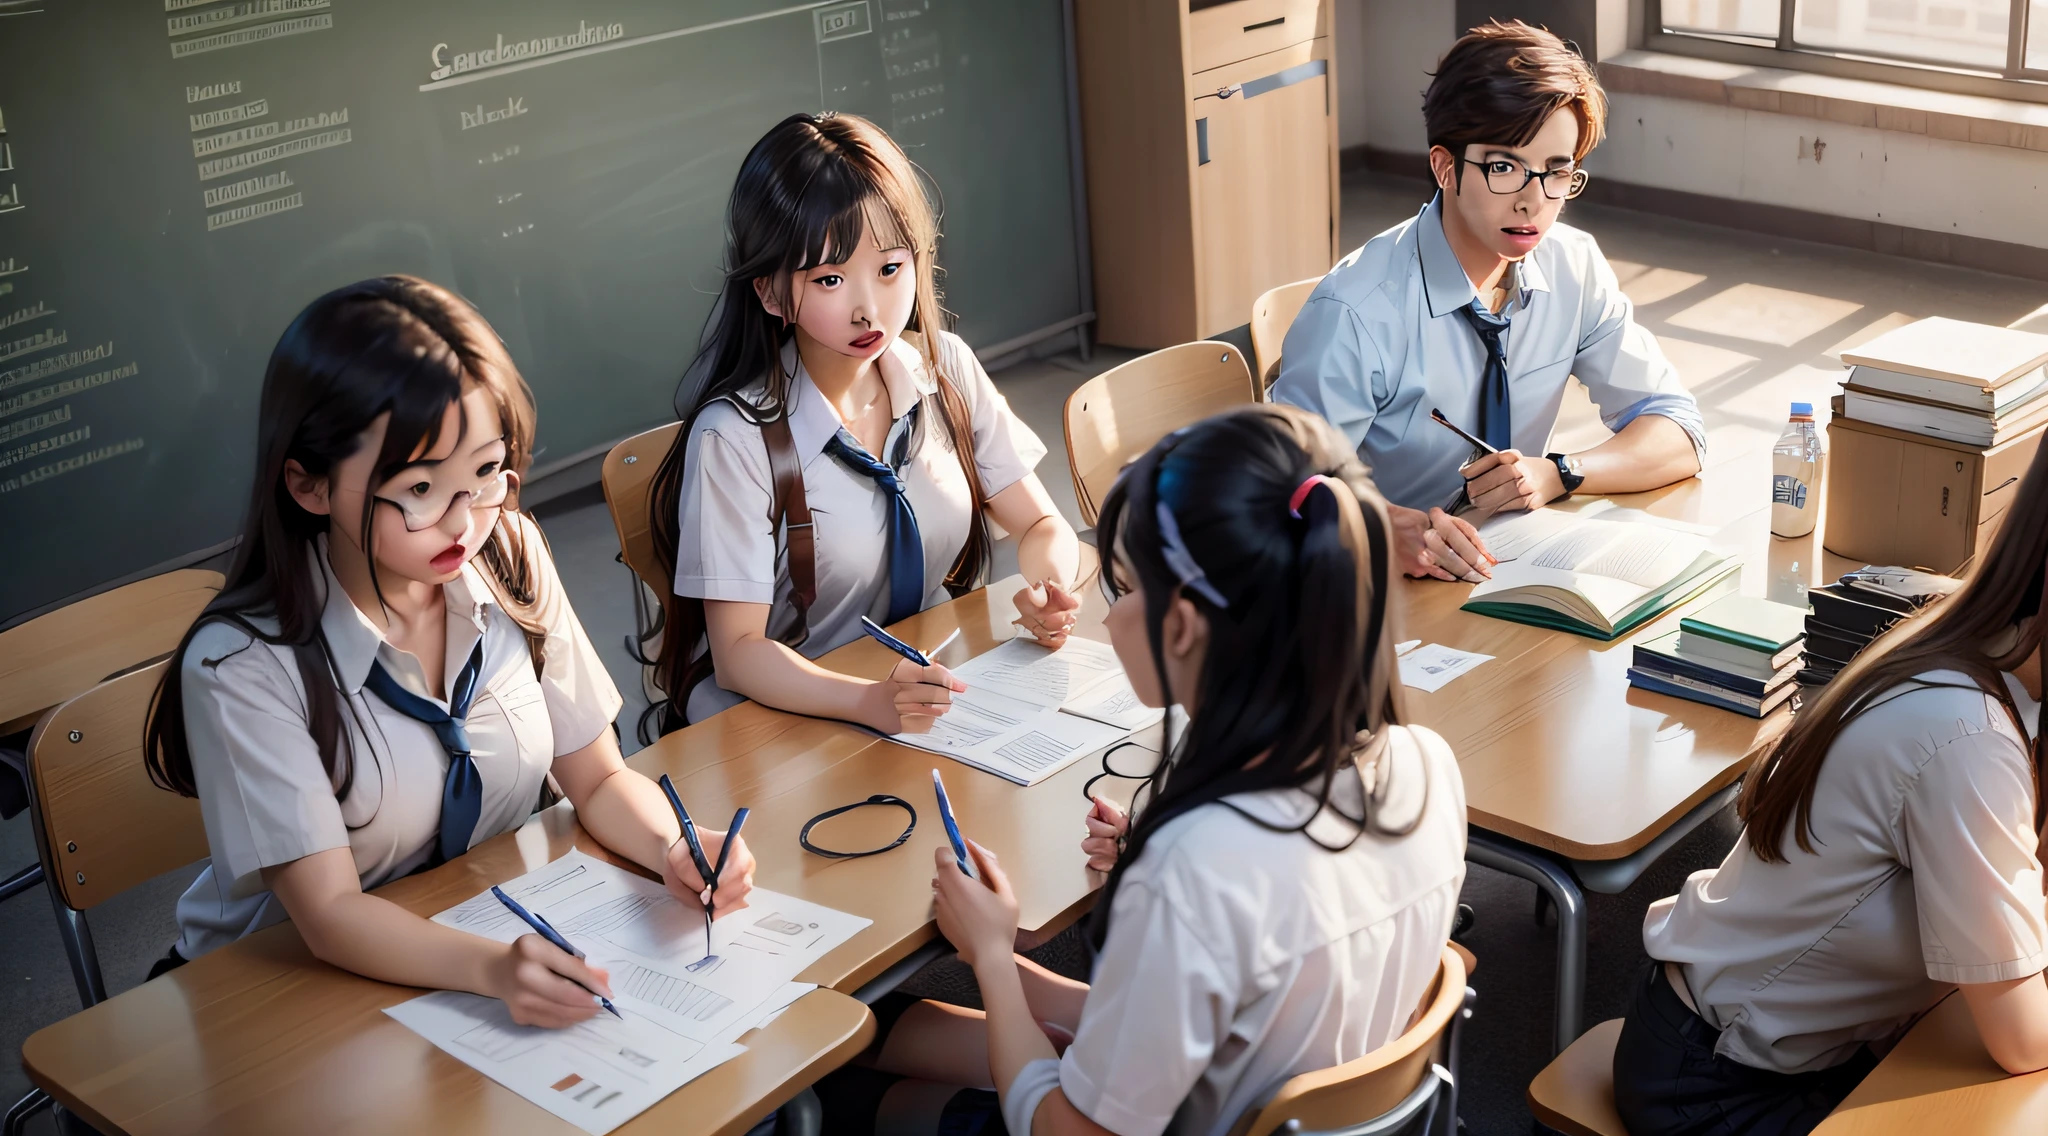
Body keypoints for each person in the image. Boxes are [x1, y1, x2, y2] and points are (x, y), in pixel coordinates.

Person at [813, 404, 1469, 1135]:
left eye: (1121, 590)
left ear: (1183, 624)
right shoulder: (1426, 764)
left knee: (837, 1100)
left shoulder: (1199, 872)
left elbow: (1073, 1131)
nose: (1107, 618)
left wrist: (995, 960)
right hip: (1261, 1080)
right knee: (876, 1027)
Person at [144, 276, 755, 1028]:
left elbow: (595, 780)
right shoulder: (243, 664)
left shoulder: (507, 554)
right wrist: (494, 969)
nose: (464, 522)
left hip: (478, 930)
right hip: (284, 995)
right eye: (423, 488)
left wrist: (675, 848)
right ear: (307, 485)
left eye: (485, 473)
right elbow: (331, 914)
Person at [1614, 446, 2048, 1135]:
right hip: (1715, 1085)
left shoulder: (1974, 645)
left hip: (1791, 1043)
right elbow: (2023, 1039)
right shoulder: (1967, 733)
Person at [647, 112, 1082, 733]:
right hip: (783, 720)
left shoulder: (945, 370)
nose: (868, 309)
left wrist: (1050, 589)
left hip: (918, 688)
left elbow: (1041, 523)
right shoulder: (735, 436)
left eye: (890, 268)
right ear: (770, 293)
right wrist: (867, 702)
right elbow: (739, 654)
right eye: (829, 278)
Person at [1272, 20, 1703, 584]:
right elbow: (1283, 491)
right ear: (1445, 166)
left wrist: (1561, 472)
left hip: (1505, 565)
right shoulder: (1356, 311)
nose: (1533, 201)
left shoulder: (1573, 266)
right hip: (1372, 587)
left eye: (1556, 172)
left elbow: (1677, 428)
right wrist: (1377, 525)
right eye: (1504, 167)